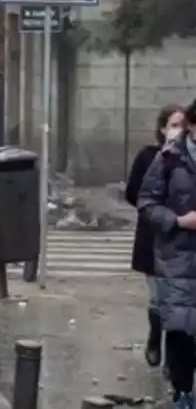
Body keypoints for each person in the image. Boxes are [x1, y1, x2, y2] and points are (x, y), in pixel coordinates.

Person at [138, 98, 196, 408]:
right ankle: (183, 391)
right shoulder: (169, 158)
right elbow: (146, 202)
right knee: (180, 329)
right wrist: (177, 221)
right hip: (177, 259)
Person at [127, 104, 185, 368]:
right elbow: (134, 193)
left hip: (182, 241)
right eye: (174, 125)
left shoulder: (189, 159)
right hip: (152, 238)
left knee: (179, 300)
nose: (179, 130)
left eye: (183, 125)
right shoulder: (149, 156)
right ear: (162, 129)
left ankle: (177, 358)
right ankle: (154, 337)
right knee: (157, 297)